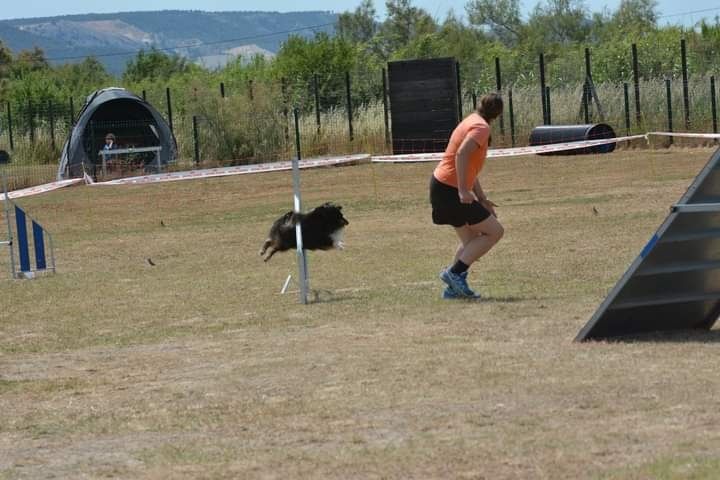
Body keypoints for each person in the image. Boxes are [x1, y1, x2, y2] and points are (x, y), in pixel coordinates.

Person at [430, 93, 505, 299]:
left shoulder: (471, 120)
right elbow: (462, 155)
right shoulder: (481, 128)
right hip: (450, 189)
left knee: (470, 240)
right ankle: (454, 274)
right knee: (495, 231)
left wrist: (481, 198)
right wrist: (463, 189)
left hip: (442, 186)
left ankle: (453, 290)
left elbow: (469, 166)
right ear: (498, 114)